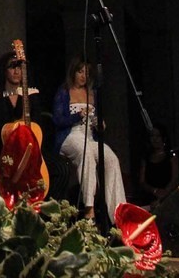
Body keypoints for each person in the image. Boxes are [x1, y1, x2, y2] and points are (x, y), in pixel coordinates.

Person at [0, 50, 72, 199]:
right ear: (4, 70)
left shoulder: (31, 96)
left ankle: (46, 213)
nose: (17, 71)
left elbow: (39, 126)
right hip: (4, 154)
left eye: (20, 67)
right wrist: (7, 136)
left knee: (61, 169)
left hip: (30, 153)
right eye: (12, 66)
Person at [52, 56, 126, 222]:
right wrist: (77, 116)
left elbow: (96, 121)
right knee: (86, 155)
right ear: (73, 72)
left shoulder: (92, 94)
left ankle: (118, 212)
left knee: (111, 159)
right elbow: (57, 120)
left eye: (87, 73)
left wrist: (100, 125)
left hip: (89, 136)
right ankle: (89, 208)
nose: (83, 76)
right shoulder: (64, 92)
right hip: (70, 135)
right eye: (80, 71)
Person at [138, 123, 179, 208]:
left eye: (158, 136)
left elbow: (175, 178)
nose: (155, 139)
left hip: (168, 198)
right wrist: (154, 191)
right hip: (150, 199)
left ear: (163, 138)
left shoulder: (171, 156)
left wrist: (163, 195)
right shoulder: (146, 157)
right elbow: (142, 181)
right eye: (152, 136)